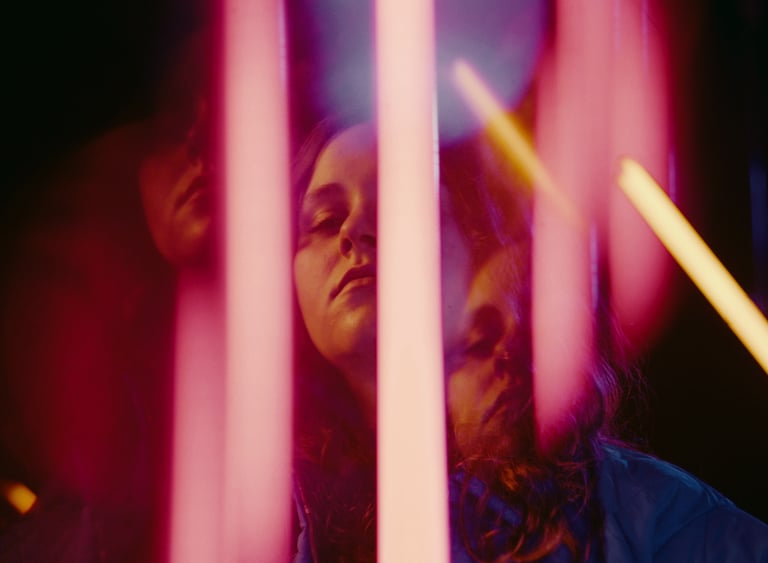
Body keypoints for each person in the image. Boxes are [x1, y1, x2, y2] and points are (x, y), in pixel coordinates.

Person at [290, 117, 768, 561]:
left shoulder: (645, 517)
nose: (354, 231)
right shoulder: (262, 511)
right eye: (326, 220)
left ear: (479, 249)